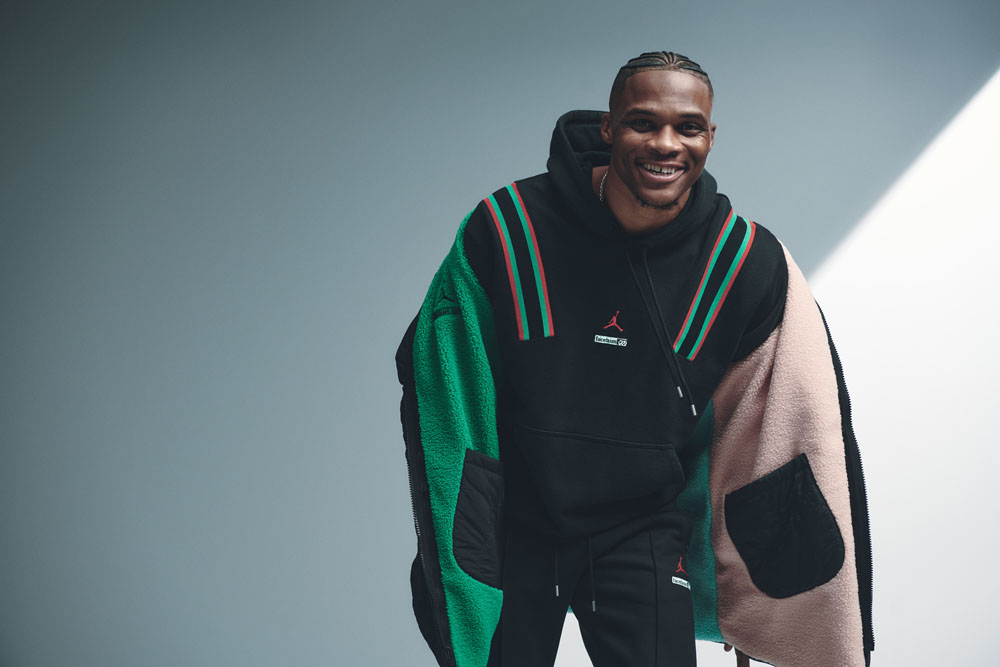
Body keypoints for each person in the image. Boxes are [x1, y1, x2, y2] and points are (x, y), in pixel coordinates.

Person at [396, 51, 874, 667]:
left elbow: (784, 411)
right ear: (608, 127)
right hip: (518, 519)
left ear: (710, 136)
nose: (666, 144)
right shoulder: (507, 227)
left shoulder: (744, 261)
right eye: (643, 122)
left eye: (688, 127)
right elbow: (445, 371)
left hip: (640, 527)